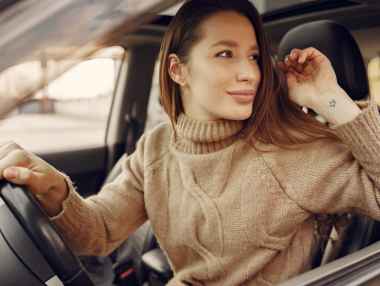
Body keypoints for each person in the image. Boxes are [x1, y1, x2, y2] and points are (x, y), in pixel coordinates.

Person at [1, 0, 380, 285]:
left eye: (253, 56)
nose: (249, 72)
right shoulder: (156, 148)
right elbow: (99, 233)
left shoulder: (289, 151)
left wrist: (330, 99)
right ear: (177, 69)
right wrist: (53, 190)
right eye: (225, 53)